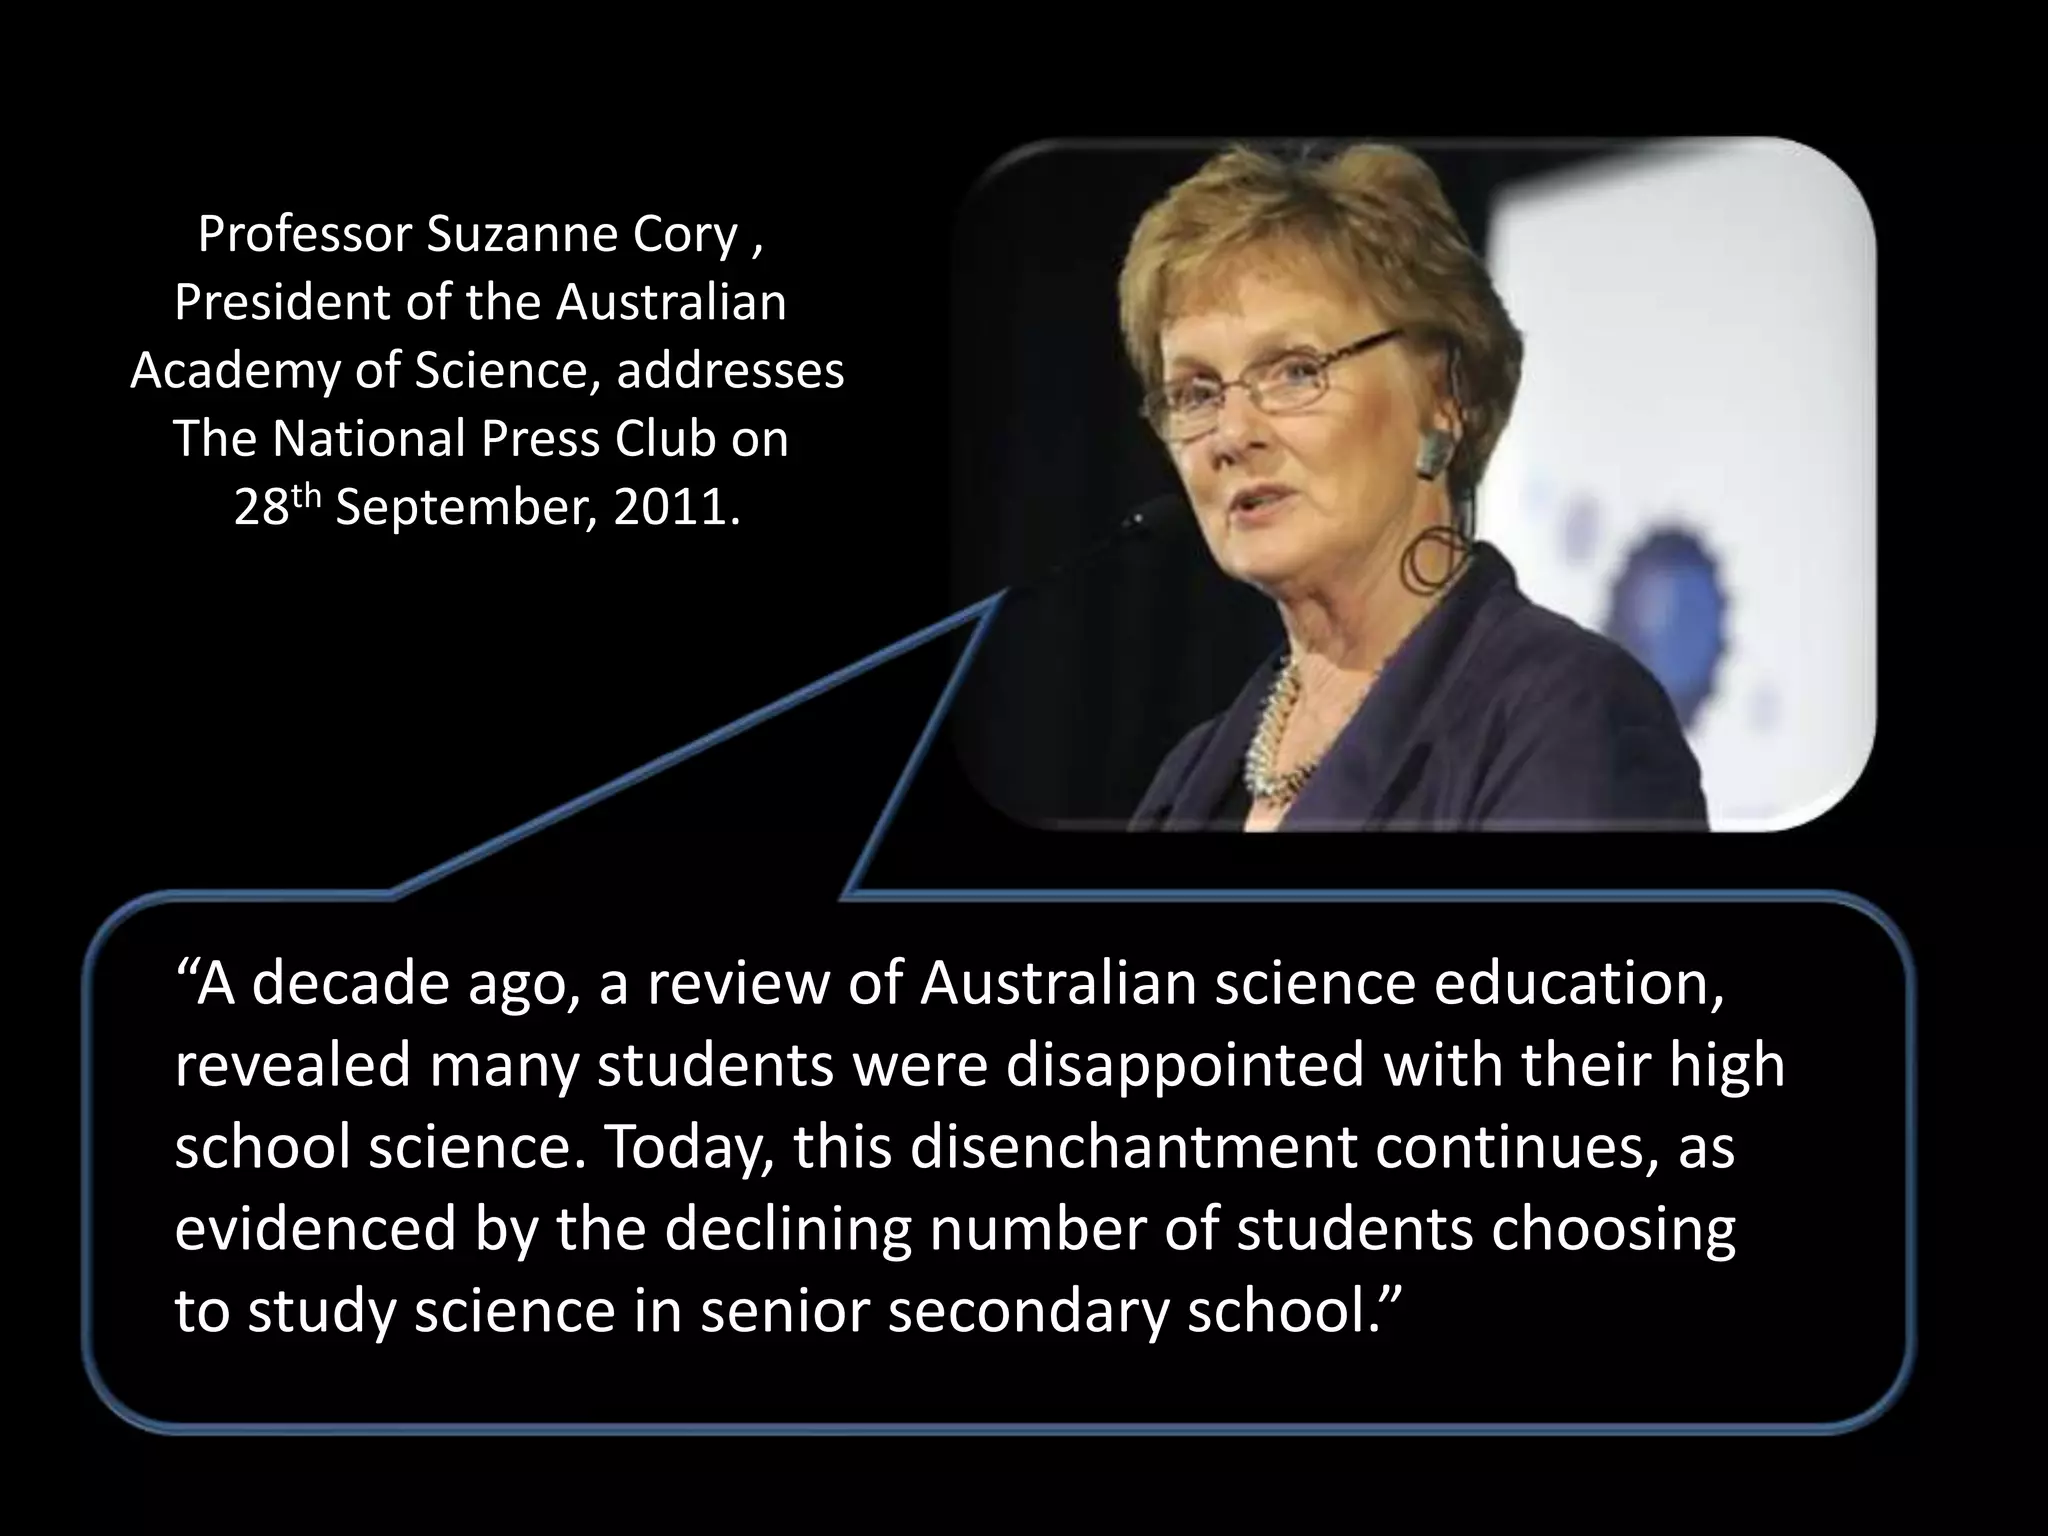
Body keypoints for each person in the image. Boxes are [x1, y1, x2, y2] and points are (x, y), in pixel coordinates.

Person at [1119, 143, 1707, 831]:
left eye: (1294, 371)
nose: (1230, 432)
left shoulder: (1567, 717)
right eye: (1195, 391)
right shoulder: (1187, 781)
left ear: (1443, 397)